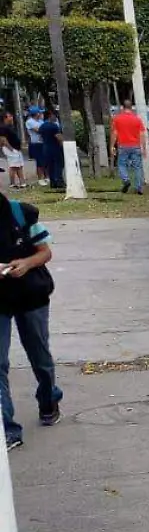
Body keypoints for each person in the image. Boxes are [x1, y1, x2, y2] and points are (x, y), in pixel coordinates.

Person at [0, 190, 61, 451]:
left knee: (40, 356)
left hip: (30, 296)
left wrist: (26, 263)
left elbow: (45, 252)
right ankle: (8, 429)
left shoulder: (19, 212)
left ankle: (48, 398)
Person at [111, 103, 146, 194]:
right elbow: (142, 134)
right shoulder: (137, 119)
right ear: (131, 108)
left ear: (123, 108)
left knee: (122, 165)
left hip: (123, 146)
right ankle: (139, 188)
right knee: (137, 167)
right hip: (136, 146)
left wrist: (112, 146)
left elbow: (114, 133)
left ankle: (126, 180)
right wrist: (143, 148)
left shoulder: (117, 119)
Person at [38, 110, 64, 192]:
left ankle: (52, 182)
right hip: (55, 147)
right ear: (50, 115)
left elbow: (41, 138)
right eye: (54, 115)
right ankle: (59, 182)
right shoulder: (54, 126)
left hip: (46, 148)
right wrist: (63, 145)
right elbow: (58, 137)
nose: (55, 117)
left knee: (50, 166)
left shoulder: (42, 126)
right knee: (58, 165)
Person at [0, 115, 25, 190]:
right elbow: (3, 139)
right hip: (10, 149)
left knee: (19, 165)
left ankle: (22, 182)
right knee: (13, 166)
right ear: (5, 118)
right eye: (10, 116)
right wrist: (11, 149)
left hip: (16, 148)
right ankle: (12, 183)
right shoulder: (3, 127)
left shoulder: (10, 126)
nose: (12, 117)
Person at [23, 107, 43, 187]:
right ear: (36, 114)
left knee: (45, 161)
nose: (41, 114)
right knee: (39, 161)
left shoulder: (41, 121)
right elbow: (38, 130)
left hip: (43, 142)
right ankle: (40, 178)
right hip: (36, 143)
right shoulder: (29, 122)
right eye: (39, 112)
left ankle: (46, 177)